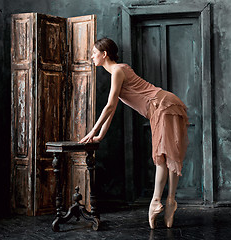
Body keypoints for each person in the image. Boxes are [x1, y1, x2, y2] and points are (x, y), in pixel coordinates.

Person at [79, 37, 189, 229]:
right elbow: (112, 110)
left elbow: (109, 105)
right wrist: (101, 136)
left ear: (104, 55)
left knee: (163, 154)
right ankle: (170, 202)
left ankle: (157, 201)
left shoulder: (118, 71)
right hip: (165, 103)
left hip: (161, 105)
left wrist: (93, 131)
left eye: (94, 53)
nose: (91, 57)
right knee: (169, 153)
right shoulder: (122, 68)